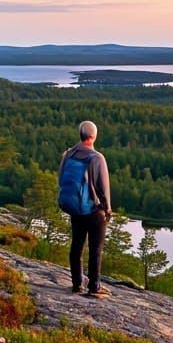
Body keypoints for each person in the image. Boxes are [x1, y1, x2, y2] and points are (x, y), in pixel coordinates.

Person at [59, 120, 112, 298]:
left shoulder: (68, 155)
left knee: (77, 246)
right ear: (93, 136)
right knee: (95, 249)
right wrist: (107, 209)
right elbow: (103, 188)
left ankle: (76, 284)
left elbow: (61, 181)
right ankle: (94, 286)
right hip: (93, 212)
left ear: (80, 135)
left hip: (75, 209)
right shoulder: (97, 158)